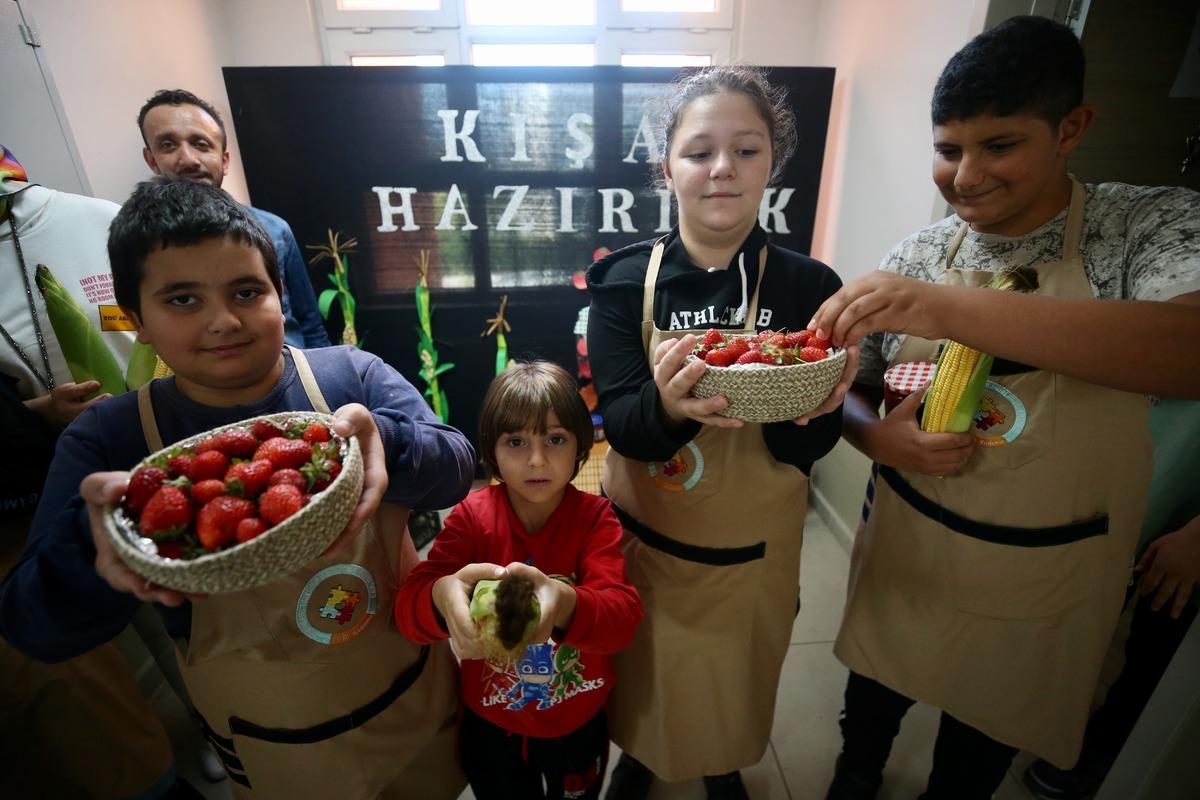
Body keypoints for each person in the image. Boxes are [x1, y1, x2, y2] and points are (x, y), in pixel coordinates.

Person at [807, 16, 1200, 800]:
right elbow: (846, 388)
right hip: (911, 550)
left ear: (1072, 129)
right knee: (875, 696)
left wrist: (948, 310)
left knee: (984, 733)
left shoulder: (1143, 226)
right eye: (948, 150)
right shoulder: (920, 254)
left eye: (1000, 145)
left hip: (1048, 569)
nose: (966, 176)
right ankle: (856, 776)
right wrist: (873, 438)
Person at [0, 179, 476, 799]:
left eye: (246, 292)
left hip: (414, 703)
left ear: (280, 294)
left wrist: (389, 439)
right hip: (269, 738)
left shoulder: (348, 377)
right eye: (182, 300)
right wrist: (91, 550)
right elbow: (33, 627)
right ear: (136, 319)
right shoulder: (110, 438)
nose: (223, 321)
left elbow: (458, 468)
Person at [586, 65, 853, 800]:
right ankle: (639, 757)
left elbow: (805, 453)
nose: (722, 170)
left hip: (753, 547)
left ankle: (724, 761)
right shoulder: (621, 280)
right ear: (666, 166)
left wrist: (820, 408)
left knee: (735, 673)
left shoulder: (810, 287)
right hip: (649, 534)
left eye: (747, 150)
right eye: (700, 151)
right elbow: (628, 429)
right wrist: (671, 408)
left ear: (772, 162)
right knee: (644, 668)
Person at [0, 145, 183, 798]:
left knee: (177, 608)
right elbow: (35, 621)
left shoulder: (96, 222)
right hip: (40, 480)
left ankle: (206, 725)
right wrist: (30, 417)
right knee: (101, 639)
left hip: (160, 448)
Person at [396, 360, 643, 800]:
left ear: (581, 447)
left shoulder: (596, 519)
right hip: (492, 723)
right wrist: (440, 594)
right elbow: (408, 610)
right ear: (491, 451)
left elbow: (622, 620)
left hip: (578, 718)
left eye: (555, 439)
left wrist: (563, 601)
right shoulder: (472, 518)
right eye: (516, 441)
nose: (536, 459)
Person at [1023, 399, 1200, 800]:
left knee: (1160, 647)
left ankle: (1104, 750)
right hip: (1138, 459)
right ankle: (1046, 725)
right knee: (1080, 617)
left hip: (1187, 493)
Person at [138, 88, 331, 350]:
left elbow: (310, 324)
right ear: (152, 159)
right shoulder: (139, 243)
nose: (188, 159)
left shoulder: (274, 230)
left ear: (224, 160)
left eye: (201, 144)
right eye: (168, 145)